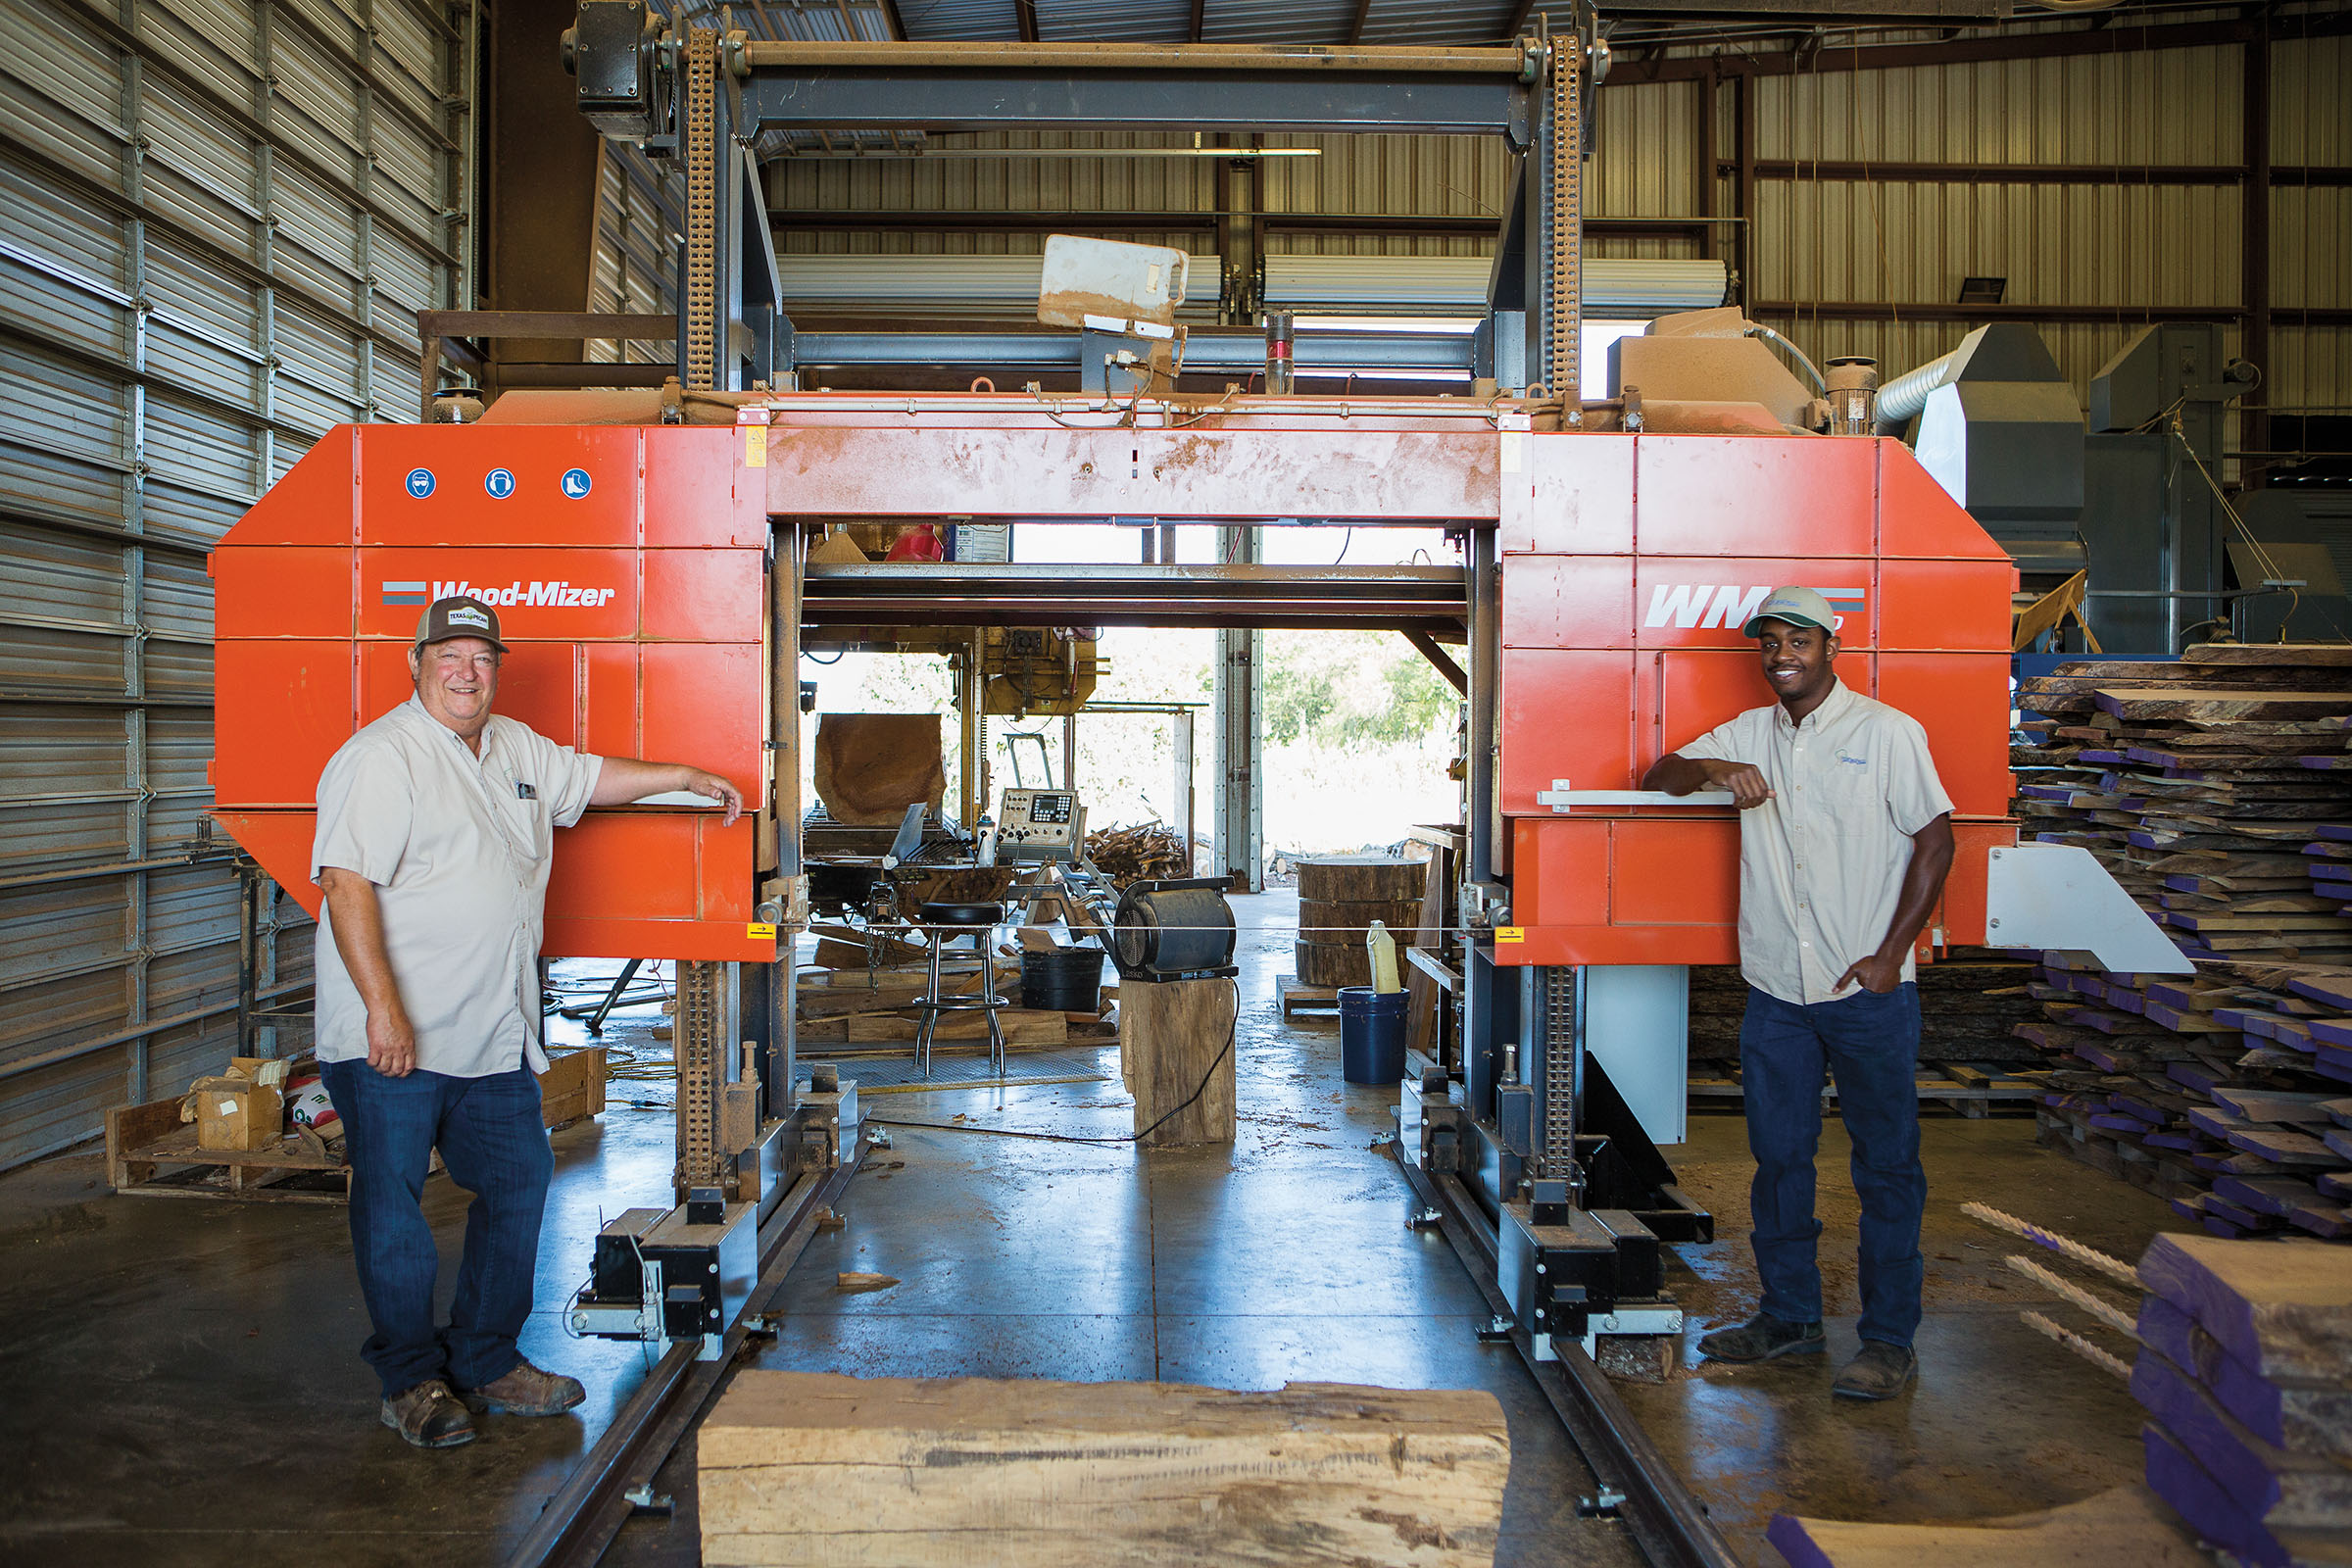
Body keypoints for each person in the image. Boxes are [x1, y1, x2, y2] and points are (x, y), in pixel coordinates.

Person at [312, 595, 745, 1448]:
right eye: (450, 657)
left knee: (517, 1183)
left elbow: (590, 776)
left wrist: (684, 777)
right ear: (418, 663)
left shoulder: (512, 747)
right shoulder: (381, 758)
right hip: (395, 1036)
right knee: (394, 1212)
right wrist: (383, 1011)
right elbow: (344, 883)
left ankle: (484, 1357)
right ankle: (410, 1381)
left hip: (491, 1032)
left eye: (481, 658)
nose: (467, 673)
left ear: (496, 667)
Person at [1641, 586, 1954, 1401]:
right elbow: (1660, 773)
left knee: (1886, 1169)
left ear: (1832, 648)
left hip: (1866, 990)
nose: (1782, 655)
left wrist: (1893, 954)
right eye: (1770, 642)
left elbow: (1935, 841)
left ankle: (1889, 1340)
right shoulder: (1749, 734)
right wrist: (1715, 768)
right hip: (1778, 988)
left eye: (1799, 641)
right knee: (1780, 1162)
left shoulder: (1888, 734)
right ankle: (1791, 1318)